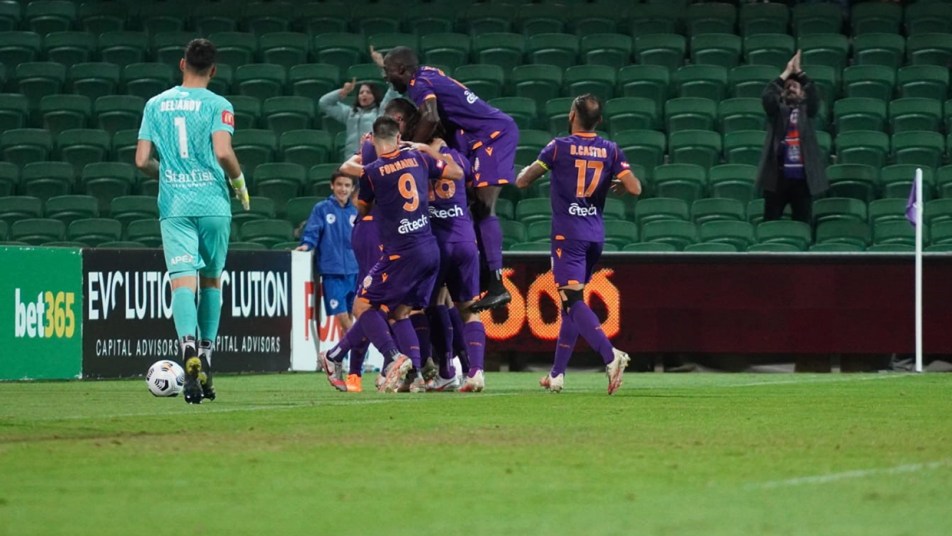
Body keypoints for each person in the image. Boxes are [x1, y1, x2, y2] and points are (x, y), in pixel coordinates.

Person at [135, 38, 248, 405]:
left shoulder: (155, 104)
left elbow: (141, 161)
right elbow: (223, 152)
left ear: (182, 64)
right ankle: (207, 355)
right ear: (213, 70)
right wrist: (239, 183)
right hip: (213, 203)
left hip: (176, 205)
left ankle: (187, 348)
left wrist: (168, 173)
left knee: (183, 283)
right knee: (212, 281)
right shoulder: (219, 104)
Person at [515, 94, 641, 395]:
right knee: (571, 303)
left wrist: (522, 173)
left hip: (567, 235)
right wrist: (616, 184)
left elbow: (523, 181)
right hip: (594, 235)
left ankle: (610, 356)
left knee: (572, 300)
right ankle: (556, 374)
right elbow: (635, 188)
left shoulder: (558, 147)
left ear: (572, 115)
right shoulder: (610, 149)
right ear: (599, 120)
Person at [382, 46, 516, 312]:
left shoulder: (418, 83)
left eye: (387, 71)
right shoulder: (430, 73)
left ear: (401, 69)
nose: (386, 77)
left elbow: (431, 116)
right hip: (477, 137)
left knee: (484, 206)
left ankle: (497, 283)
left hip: (493, 135)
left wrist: (409, 151)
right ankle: (486, 274)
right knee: (474, 204)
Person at [336, 115, 463, 393]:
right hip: (430, 248)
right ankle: (415, 375)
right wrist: (426, 148)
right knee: (402, 311)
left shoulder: (372, 171)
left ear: (373, 140)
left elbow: (362, 206)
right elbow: (456, 172)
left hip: (400, 251)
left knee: (364, 306)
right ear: (398, 137)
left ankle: (391, 360)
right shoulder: (418, 158)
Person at [295, 172, 359, 392]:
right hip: (332, 272)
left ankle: (345, 360)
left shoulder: (355, 211)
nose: (343, 189)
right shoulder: (322, 209)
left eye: (347, 185)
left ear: (352, 188)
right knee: (343, 319)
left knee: (352, 317)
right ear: (332, 186)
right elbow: (313, 232)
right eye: (339, 184)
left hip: (355, 271)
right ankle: (352, 354)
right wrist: (307, 245)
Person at [756, 50, 829, 224]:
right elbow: (767, 96)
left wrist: (800, 73)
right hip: (777, 176)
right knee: (770, 222)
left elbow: (814, 96)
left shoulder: (807, 110)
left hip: (802, 178)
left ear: (802, 93)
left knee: (803, 222)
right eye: (787, 86)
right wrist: (787, 72)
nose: (791, 88)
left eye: (795, 87)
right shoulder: (776, 111)